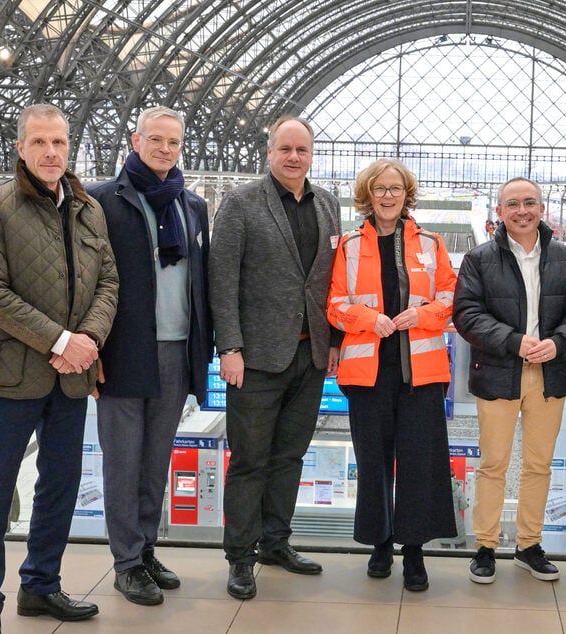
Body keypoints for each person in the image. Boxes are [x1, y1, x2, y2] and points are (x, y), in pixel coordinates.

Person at [0, 104, 118, 634]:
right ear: (21, 148)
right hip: (10, 374)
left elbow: (108, 284)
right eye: (40, 143)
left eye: (60, 143)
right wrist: (60, 339)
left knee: (60, 485)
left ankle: (41, 586)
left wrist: (88, 339)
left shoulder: (88, 208)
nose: (52, 153)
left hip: (72, 375)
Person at [209, 115, 342, 601]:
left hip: (310, 356)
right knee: (249, 460)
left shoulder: (328, 204)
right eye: (285, 148)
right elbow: (221, 280)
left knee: (290, 455)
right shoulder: (242, 203)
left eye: (302, 150)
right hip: (257, 358)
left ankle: (276, 542)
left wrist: (334, 343)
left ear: (311, 155)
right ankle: (240, 558)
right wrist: (231, 348)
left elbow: (329, 281)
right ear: (269, 152)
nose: (293, 157)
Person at [88, 106, 213, 606]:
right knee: (122, 460)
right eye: (156, 139)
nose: (165, 149)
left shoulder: (192, 204)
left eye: (174, 142)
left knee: (155, 460)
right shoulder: (102, 200)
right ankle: (125, 562)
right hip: (122, 349)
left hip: (178, 350)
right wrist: (92, 347)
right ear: (136, 140)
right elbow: (89, 279)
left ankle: (145, 551)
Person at [453, 177, 566, 585]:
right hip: (499, 372)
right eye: (512, 204)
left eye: (529, 202)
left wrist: (560, 342)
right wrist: (514, 342)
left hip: (548, 374)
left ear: (542, 208)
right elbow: (467, 314)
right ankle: (485, 546)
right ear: (499, 212)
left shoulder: (565, 258)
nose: (522, 210)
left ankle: (529, 545)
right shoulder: (479, 259)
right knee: (493, 464)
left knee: (538, 465)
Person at [328, 159, 457, 589]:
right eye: (380, 188)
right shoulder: (347, 246)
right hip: (368, 374)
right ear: (368, 193)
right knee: (374, 463)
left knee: (421, 463)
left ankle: (415, 551)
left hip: (421, 374)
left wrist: (423, 313)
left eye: (396, 189)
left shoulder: (431, 243)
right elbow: (335, 305)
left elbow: (451, 297)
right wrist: (369, 319)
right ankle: (381, 542)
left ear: (407, 194)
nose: (387, 196)